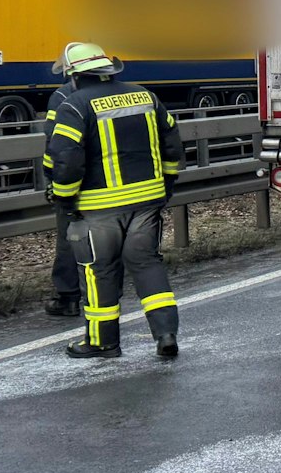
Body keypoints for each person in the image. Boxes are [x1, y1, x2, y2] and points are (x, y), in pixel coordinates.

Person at [42, 42, 183, 360]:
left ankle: (103, 343)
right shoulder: (145, 95)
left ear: (74, 76)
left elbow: (65, 158)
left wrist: (64, 200)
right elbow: (172, 142)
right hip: (147, 201)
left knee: (98, 271)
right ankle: (166, 334)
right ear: (108, 70)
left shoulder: (74, 105)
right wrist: (167, 185)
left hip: (98, 207)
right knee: (147, 264)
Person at [42, 58, 84, 318]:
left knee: (69, 238)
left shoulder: (62, 97)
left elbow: (55, 145)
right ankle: (106, 294)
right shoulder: (117, 93)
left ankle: (68, 298)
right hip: (110, 184)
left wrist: (52, 181)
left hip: (72, 181)